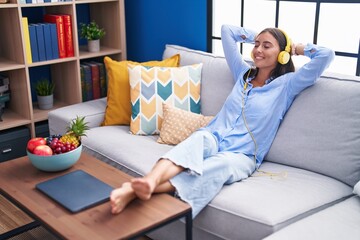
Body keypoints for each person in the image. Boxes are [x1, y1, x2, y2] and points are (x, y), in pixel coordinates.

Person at [110, 25, 335, 218]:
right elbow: (227, 31)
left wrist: (294, 47)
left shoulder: (288, 85)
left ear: (282, 55)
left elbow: (326, 55)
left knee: (218, 167)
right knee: (195, 142)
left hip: (242, 155)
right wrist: (260, 35)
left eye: (267, 46)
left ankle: (135, 191)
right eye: (256, 44)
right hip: (213, 135)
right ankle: (149, 182)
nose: (257, 50)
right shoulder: (243, 74)